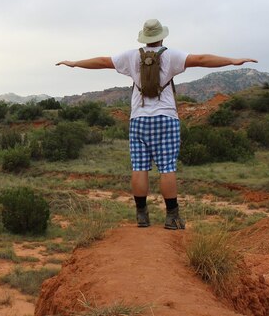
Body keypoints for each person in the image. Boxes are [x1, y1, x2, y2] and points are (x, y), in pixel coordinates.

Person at [56, 19, 257, 229]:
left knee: (139, 167)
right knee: (167, 167)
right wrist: (233, 60)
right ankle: (171, 217)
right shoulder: (171, 55)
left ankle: (142, 216)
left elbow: (102, 61)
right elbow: (201, 59)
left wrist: (75, 63)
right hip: (166, 118)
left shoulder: (131, 56)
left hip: (139, 119)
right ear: (161, 36)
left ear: (144, 37)